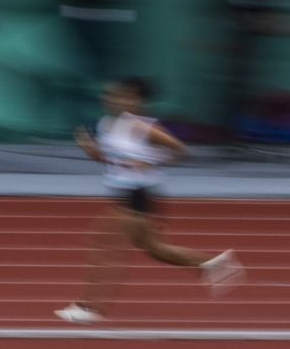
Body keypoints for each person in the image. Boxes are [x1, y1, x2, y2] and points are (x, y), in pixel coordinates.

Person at [55, 77, 244, 324]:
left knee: (105, 247)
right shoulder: (107, 125)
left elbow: (180, 150)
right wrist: (93, 152)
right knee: (156, 250)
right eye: (111, 95)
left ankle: (90, 307)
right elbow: (111, 160)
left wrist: (150, 161)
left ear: (138, 101)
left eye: (122, 96)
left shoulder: (142, 127)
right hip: (123, 193)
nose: (112, 99)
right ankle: (212, 264)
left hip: (138, 195)